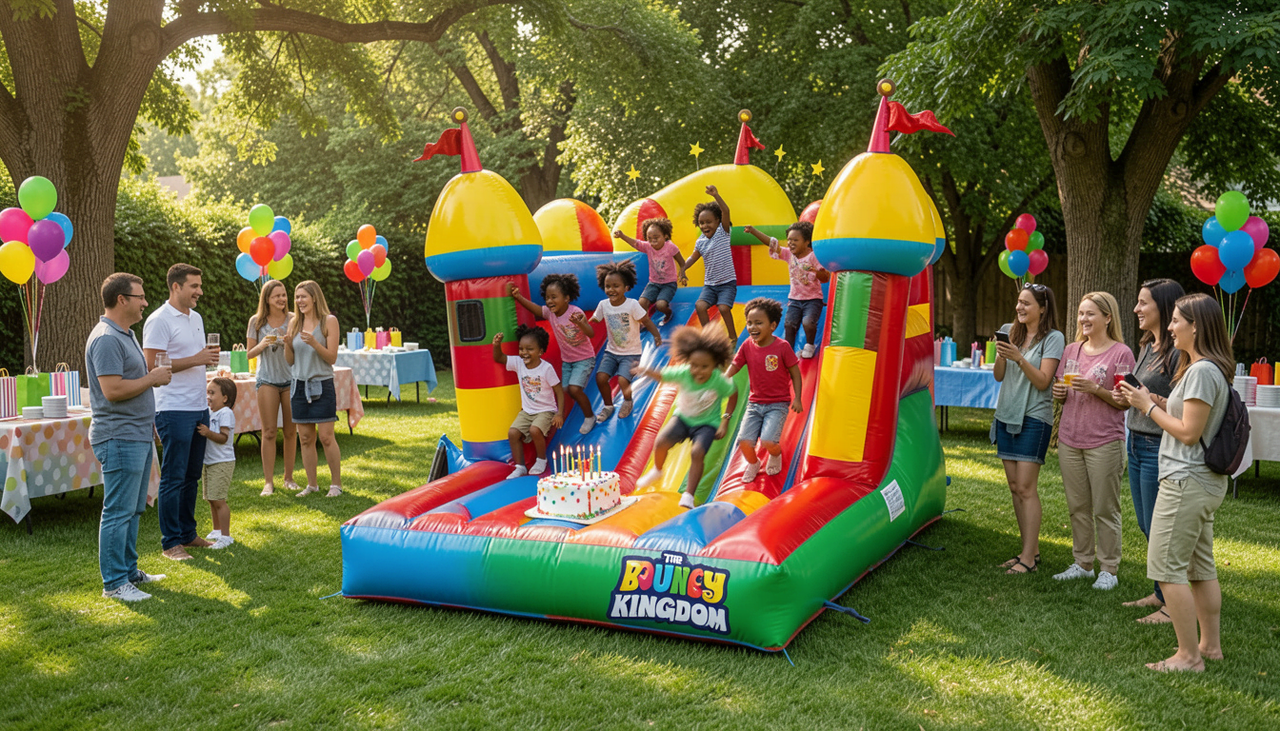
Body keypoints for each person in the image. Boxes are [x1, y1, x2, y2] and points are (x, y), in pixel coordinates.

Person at [1119, 293, 1232, 672]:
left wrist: (1146, 407)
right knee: (1200, 568)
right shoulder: (1203, 368)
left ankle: (1188, 657)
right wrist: (1156, 399)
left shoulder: (1202, 371)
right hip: (1200, 481)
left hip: (1185, 480)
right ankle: (1209, 647)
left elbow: (1188, 433)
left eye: (1176, 321)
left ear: (1196, 325)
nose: (1170, 326)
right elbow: (1188, 415)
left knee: (1167, 569)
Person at [87, 273, 172, 600]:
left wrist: (149, 424)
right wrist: (151, 378)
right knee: (118, 510)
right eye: (140, 296)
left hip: (135, 434)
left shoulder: (126, 334)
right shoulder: (107, 338)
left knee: (134, 508)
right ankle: (114, 584)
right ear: (122, 299)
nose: (145, 302)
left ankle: (129, 572)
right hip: (118, 436)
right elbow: (112, 390)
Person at [1051, 292, 1135, 590]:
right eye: (1081, 313)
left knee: (1105, 508)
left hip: (1104, 441)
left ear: (1108, 317)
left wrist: (1095, 389)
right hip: (1071, 439)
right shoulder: (1072, 350)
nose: (1083, 319)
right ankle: (1083, 563)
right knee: (1077, 506)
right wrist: (1059, 394)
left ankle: (1108, 569)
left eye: (1091, 314)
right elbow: (1061, 388)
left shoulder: (1121, 354)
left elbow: (1125, 402)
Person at [1112, 278, 1184, 622]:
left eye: (1144, 303)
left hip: (1159, 445)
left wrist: (1146, 399)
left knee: (1161, 529)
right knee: (1145, 524)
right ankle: (1160, 593)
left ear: (1164, 307)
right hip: (1136, 441)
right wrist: (1125, 396)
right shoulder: (1147, 346)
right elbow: (1141, 394)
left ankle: (1173, 607)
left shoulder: (1177, 353)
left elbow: (1183, 406)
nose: (1137, 309)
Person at [143, 263, 220, 561]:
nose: (200, 291)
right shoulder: (159, 320)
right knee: (173, 477)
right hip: (172, 408)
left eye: (200, 286)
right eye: (194, 286)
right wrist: (197, 358)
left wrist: (203, 361)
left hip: (199, 406)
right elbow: (152, 366)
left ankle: (188, 534)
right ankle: (170, 542)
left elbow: (195, 359)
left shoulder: (196, 317)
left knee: (191, 476)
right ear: (176, 287)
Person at [991, 283, 1064, 574]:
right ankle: (1028, 551)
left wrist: (1019, 357)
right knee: (1013, 487)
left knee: (1026, 487)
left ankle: (1028, 559)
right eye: (1019, 302)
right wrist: (1001, 353)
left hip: (1034, 417)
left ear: (1043, 308)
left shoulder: (1053, 338)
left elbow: (1044, 381)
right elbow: (998, 376)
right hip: (1006, 413)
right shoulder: (1009, 329)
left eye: (1027, 303)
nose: (1020, 307)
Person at [634, 326, 738, 508]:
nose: (698, 371)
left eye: (704, 367)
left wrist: (725, 420)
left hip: (707, 423)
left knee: (697, 453)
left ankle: (688, 495)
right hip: (683, 418)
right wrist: (646, 371)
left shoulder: (718, 380)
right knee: (661, 442)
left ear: (715, 365)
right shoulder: (683, 372)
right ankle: (657, 470)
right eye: (694, 366)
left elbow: (733, 393)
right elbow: (662, 376)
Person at [724, 298, 802, 482]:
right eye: (749, 323)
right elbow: (736, 364)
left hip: (778, 403)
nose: (752, 327)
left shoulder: (782, 347)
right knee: (744, 442)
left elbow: (796, 373)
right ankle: (753, 463)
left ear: (772, 325)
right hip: (755, 404)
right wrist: (723, 377)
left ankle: (775, 454)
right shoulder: (747, 346)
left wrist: (797, 398)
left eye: (758, 323)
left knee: (768, 441)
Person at [508, 275, 597, 434]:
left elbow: (590, 333)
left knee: (574, 389)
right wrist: (518, 297)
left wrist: (580, 323)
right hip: (567, 361)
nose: (549, 301)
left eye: (554, 297)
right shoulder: (550, 313)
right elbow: (534, 308)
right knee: (566, 389)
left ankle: (590, 416)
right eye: (547, 297)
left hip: (584, 358)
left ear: (567, 298)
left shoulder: (575, 313)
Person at [284, 280, 343, 497]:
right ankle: (312, 485)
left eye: (303, 297)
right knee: (306, 438)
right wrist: (288, 345)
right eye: (297, 297)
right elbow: (290, 361)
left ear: (314, 297)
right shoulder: (294, 324)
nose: (299, 301)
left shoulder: (329, 321)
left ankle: (335, 484)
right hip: (299, 386)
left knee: (326, 437)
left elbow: (332, 357)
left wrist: (315, 343)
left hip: (322, 384)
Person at [742, 222, 829, 356]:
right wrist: (754, 231)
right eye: (789, 240)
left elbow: (825, 278)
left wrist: (815, 272)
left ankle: (810, 345)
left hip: (813, 299)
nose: (790, 243)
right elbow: (772, 244)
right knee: (789, 325)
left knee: (808, 322)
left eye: (795, 240)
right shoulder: (789, 255)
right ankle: (788, 352)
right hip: (794, 299)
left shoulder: (813, 256)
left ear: (807, 242)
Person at [245, 279, 298, 496]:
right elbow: (248, 353)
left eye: (284, 294)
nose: (282, 299)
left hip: (291, 380)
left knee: (290, 432)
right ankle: (268, 482)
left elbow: (301, 347)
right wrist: (263, 343)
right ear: (267, 299)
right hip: (267, 380)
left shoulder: (294, 319)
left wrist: (289, 342)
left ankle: (289, 478)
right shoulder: (256, 322)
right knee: (268, 432)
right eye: (277, 296)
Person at [591, 260, 661, 422]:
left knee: (623, 380)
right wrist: (583, 322)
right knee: (600, 378)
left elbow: (646, 321)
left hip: (631, 352)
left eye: (616, 286)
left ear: (626, 288)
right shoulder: (603, 305)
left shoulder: (632, 305)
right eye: (608, 286)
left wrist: (656, 335)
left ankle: (628, 400)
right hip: (611, 351)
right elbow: (594, 320)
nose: (611, 290)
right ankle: (608, 406)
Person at [493, 325, 565, 479]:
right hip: (527, 410)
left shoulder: (546, 369)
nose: (524, 352)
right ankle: (520, 466)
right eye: (521, 348)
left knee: (534, 430)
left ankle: (541, 460)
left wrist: (559, 413)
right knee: (513, 433)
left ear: (540, 351)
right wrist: (497, 346)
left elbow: (559, 390)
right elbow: (499, 358)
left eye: (529, 349)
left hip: (546, 410)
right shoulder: (518, 363)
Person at [679, 185, 738, 343]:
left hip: (727, 283)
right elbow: (692, 258)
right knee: (700, 306)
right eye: (701, 223)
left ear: (718, 221)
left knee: (724, 308)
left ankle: (732, 337)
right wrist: (683, 268)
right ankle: (709, 337)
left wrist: (716, 196)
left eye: (708, 222)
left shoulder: (723, 232)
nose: (705, 226)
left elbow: (726, 211)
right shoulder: (701, 242)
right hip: (710, 285)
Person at [613, 217, 686, 324]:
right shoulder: (648, 247)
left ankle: (668, 313)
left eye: (656, 237)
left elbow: (682, 262)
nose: (653, 240)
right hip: (654, 283)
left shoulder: (670, 247)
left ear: (665, 236)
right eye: (649, 238)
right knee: (641, 303)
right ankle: (645, 322)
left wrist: (682, 274)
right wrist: (622, 236)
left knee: (660, 305)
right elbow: (635, 243)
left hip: (669, 283)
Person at [196, 377, 237, 549]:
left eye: (212, 393)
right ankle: (217, 530)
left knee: (219, 500)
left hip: (222, 462)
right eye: (207, 392)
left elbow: (223, 437)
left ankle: (226, 536)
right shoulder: (211, 412)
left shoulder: (225, 413)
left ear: (225, 398)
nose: (208, 397)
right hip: (210, 462)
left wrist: (207, 432)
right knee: (211, 499)